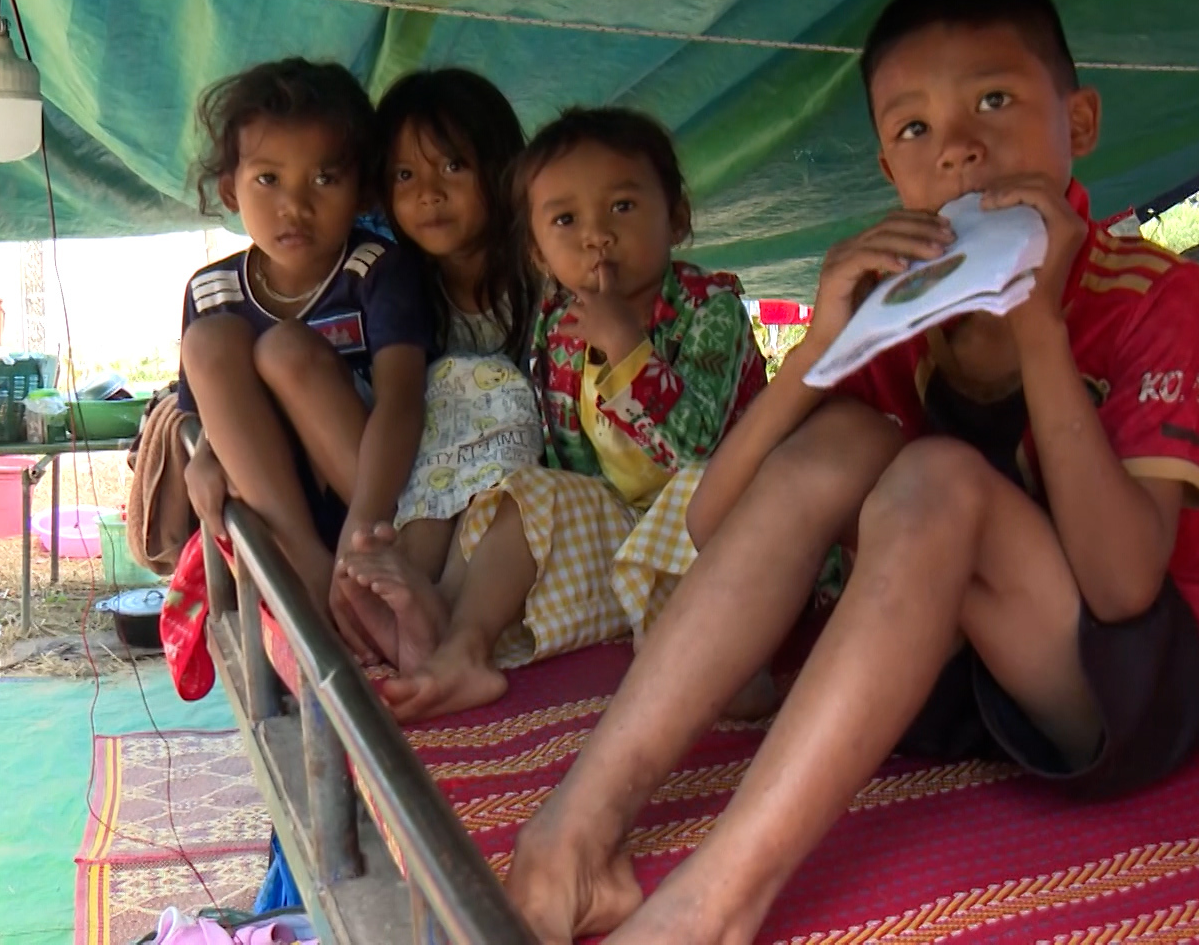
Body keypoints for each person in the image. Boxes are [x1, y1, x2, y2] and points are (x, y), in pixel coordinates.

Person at [502, 0, 1199, 945]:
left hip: (1126, 688)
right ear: (890, 171)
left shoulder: (1149, 290)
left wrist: (1038, 330)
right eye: (915, 130)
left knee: (936, 476)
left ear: (1083, 120)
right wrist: (820, 349)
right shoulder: (899, 314)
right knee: (852, 438)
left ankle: (712, 907)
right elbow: (711, 520)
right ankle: (573, 839)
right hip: (959, 678)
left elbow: (1120, 586)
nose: (961, 149)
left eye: (995, 101)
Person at [342, 106, 769, 723]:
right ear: (538, 253)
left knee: (705, 524)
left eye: (622, 207)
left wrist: (630, 351)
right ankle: (458, 646)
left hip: (717, 522)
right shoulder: (558, 322)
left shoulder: (712, 309)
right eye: (565, 220)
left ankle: (723, 659)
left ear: (676, 218)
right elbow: (572, 467)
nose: (596, 235)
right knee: (528, 491)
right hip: (624, 528)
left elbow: (698, 449)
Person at [178, 58, 430, 646]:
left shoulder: (377, 271)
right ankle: (309, 575)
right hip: (285, 512)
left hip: (373, 498)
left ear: (362, 187)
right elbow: (195, 414)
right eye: (268, 180)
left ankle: (347, 568)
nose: (295, 206)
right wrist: (205, 452)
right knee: (211, 340)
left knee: (286, 349)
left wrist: (366, 517)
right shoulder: (209, 292)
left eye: (324, 179)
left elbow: (402, 402)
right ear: (229, 188)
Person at [333, 69, 544, 671]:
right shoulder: (393, 281)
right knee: (442, 386)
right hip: (427, 481)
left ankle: (434, 604)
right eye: (406, 175)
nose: (429, 193)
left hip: (520, 483)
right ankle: (408, 586)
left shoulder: (539, 271)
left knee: (480, 382)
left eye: (453, 167)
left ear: (502, 169)